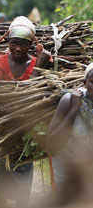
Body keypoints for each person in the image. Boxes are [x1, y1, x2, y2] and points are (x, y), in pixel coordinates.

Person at [0, 16, 51, 207]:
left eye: (23, 44)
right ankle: (2, 200)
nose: (19, 49)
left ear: (31, 45)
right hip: (3, 125)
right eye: (14, 44)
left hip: (26, 125)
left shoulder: (37, 63)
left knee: (23, 164)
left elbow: (31, 91)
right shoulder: (0, 61)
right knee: (4, 167)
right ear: (8, 43)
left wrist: (39, 65)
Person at [47, 63, 93, 192]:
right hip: (67, 166)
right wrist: (74, 109)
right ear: (85, 83)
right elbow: (52, 144)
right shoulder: (70, 100)